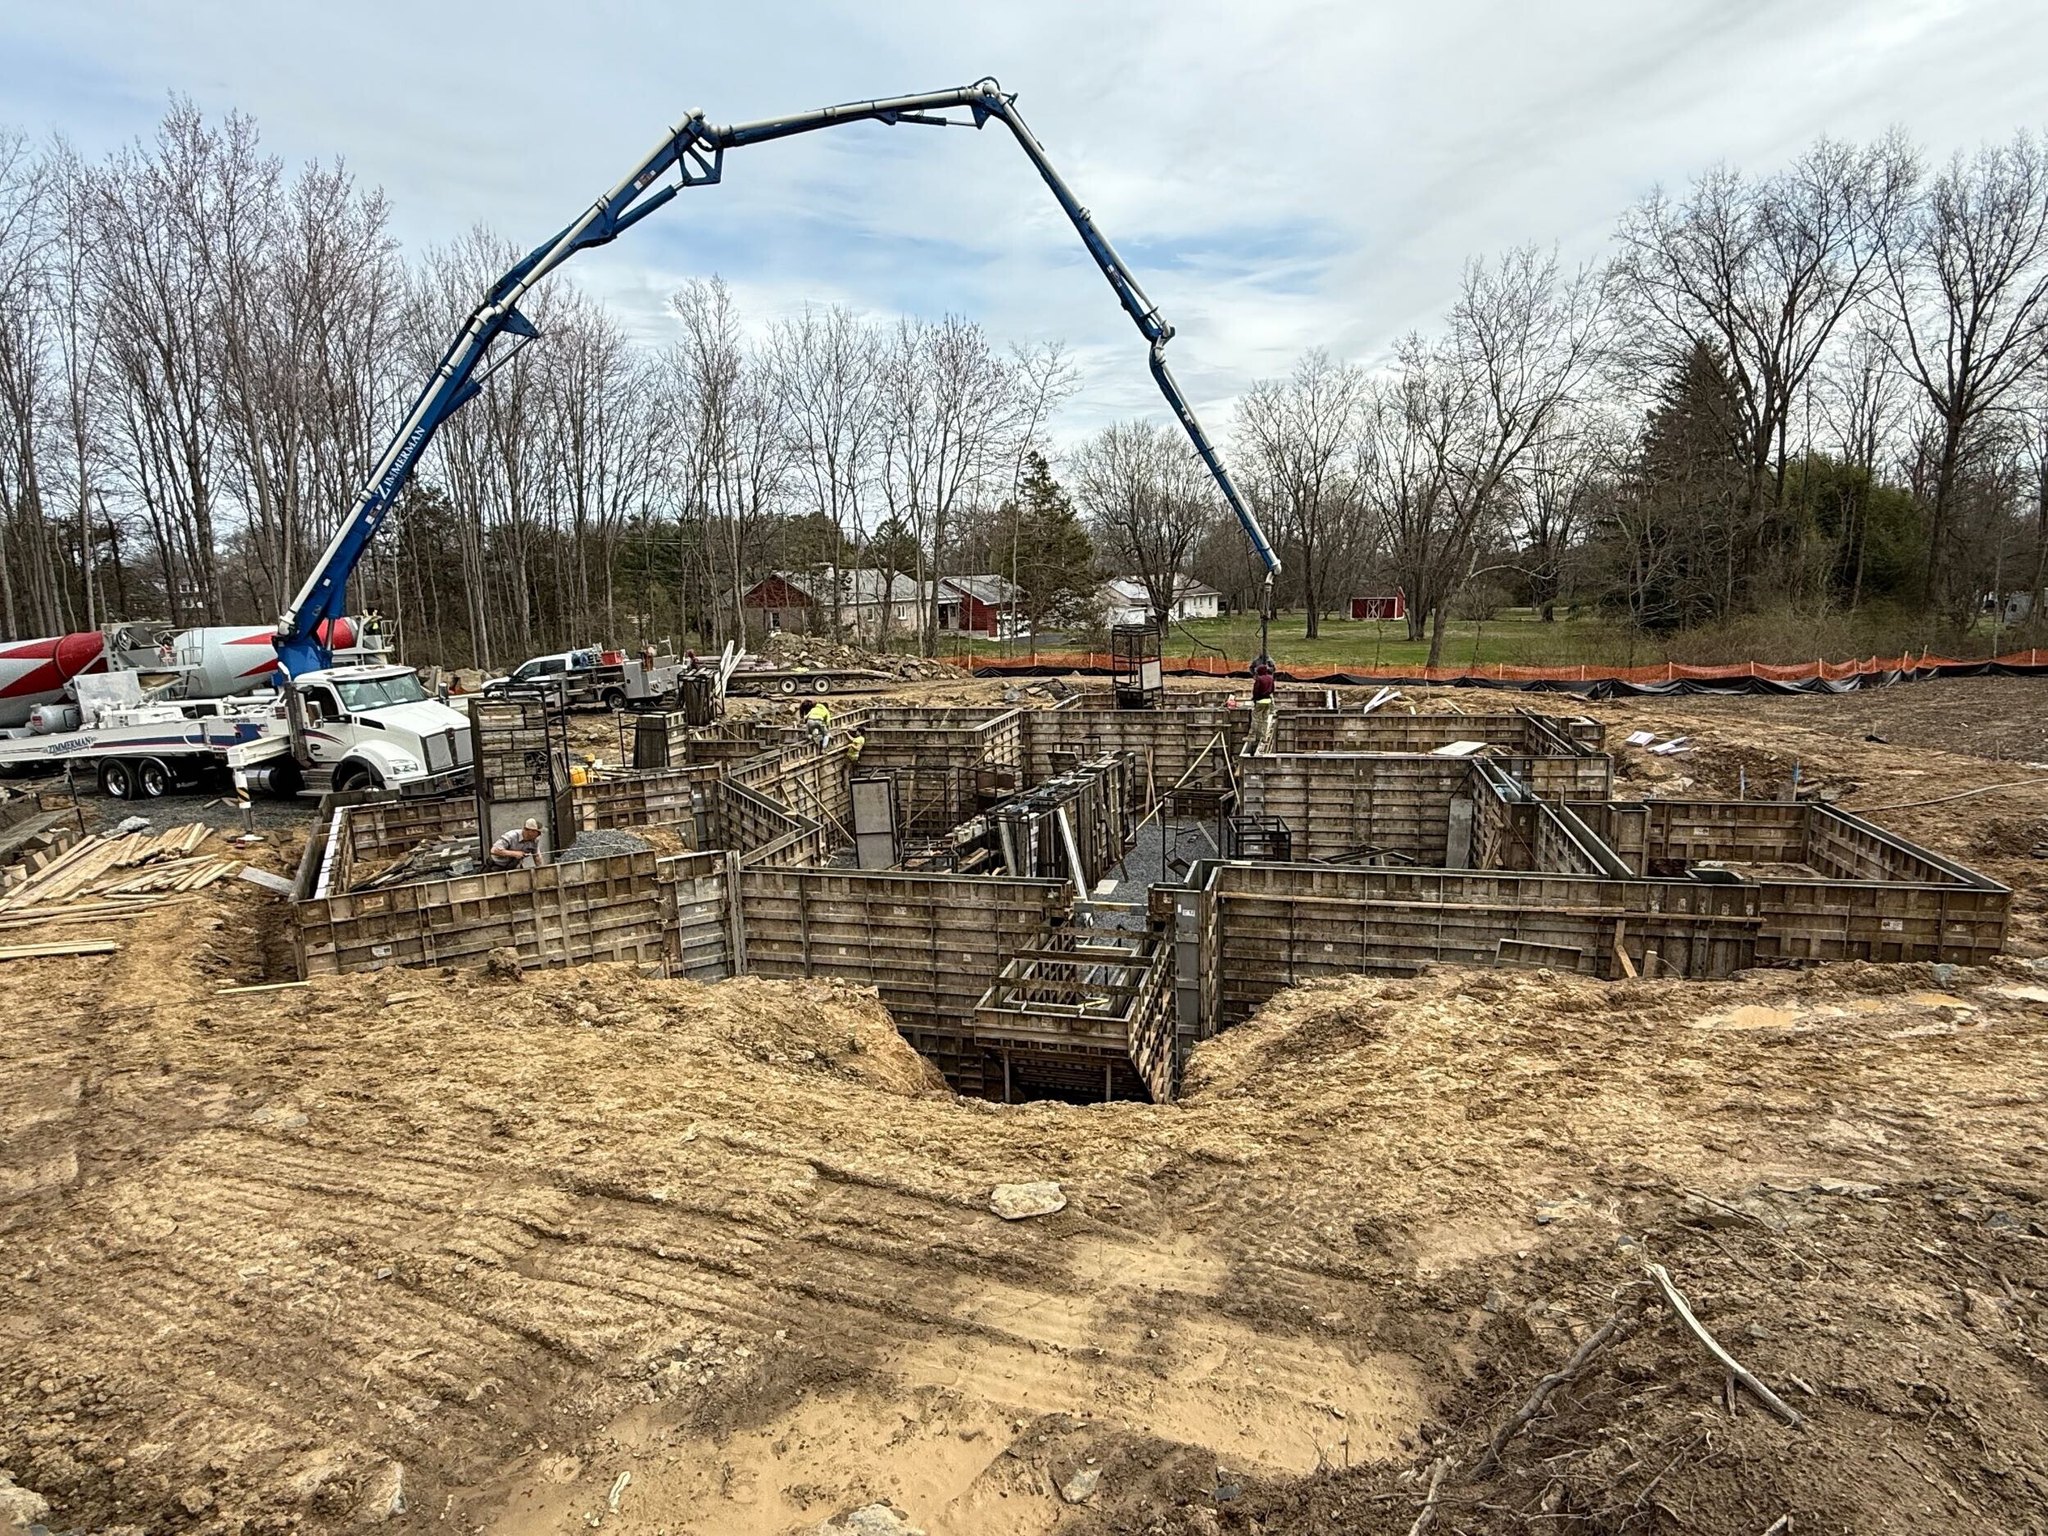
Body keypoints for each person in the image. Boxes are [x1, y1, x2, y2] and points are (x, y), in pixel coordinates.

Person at [1250, 658, 1277, 749]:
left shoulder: (1259, 679)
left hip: (1260, 701)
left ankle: (1255, 735)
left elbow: (1256, 691)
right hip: (1268, 701)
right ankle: (1264, 737)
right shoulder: (1271, 678)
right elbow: (1273, 690)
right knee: (1265, 719)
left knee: (1256, 717)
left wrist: (1254, 699)